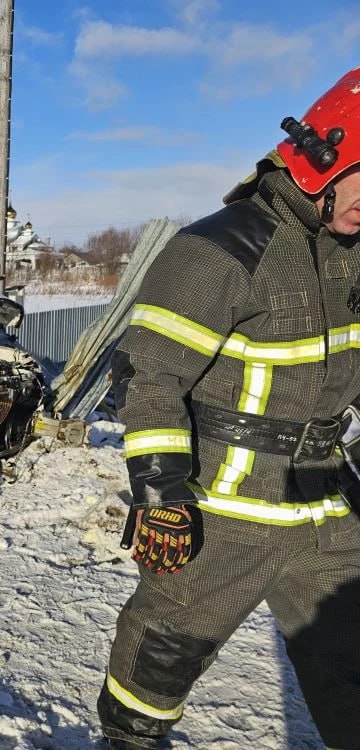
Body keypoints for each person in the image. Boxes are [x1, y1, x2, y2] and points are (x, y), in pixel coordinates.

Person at [98, 67, 360, 749]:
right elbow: (151, 377)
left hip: (326, 513)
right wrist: (161, 495)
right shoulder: (218, 249)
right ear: (323, 158)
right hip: (222, 517)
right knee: (157, 663)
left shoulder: (352, 255)